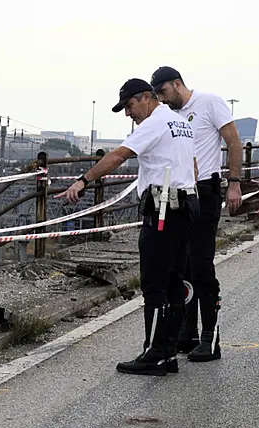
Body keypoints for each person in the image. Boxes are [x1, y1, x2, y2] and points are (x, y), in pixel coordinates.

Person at [57, 78, 199, 376]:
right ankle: (168, 353)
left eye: (130, 106)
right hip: (186, 205)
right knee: (174, 282)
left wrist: (84, 180)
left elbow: (120, 155)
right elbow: (193, 165)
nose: (128, 114)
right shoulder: (179, 123)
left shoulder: (155, 123)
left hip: (164, 208)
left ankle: (155, 354)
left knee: (155, 283)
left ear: (147, 98)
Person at [150, 66, 242, 362]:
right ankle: (187, 332)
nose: (162, 99)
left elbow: (234, 142)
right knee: (183, 266)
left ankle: (210, 338)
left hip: (207, 191)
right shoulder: (170, 115)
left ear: (177, 84)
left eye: (164, 92)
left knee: (201, 266)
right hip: (183, 194)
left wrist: (235, 184)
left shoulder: (209, 102)